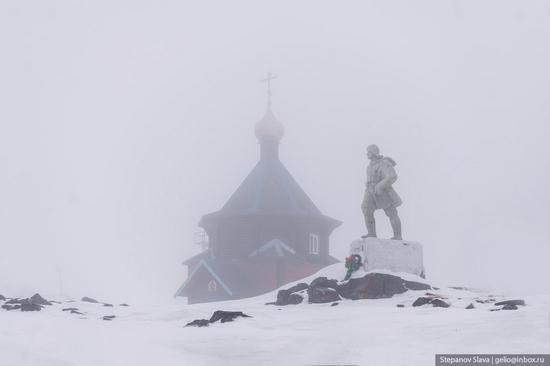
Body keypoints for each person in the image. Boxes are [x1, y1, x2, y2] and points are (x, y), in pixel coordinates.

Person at [361, 144, 403, 240]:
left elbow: (392, 176)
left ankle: (398, 235)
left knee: (391, 212)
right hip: (370, 190)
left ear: (373, 152)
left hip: (383, 191)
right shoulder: (369, 166)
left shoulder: (384, 163)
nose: (367, 154)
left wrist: (380, 185)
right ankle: (371, 233)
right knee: (366, 208)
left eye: (368, 152)